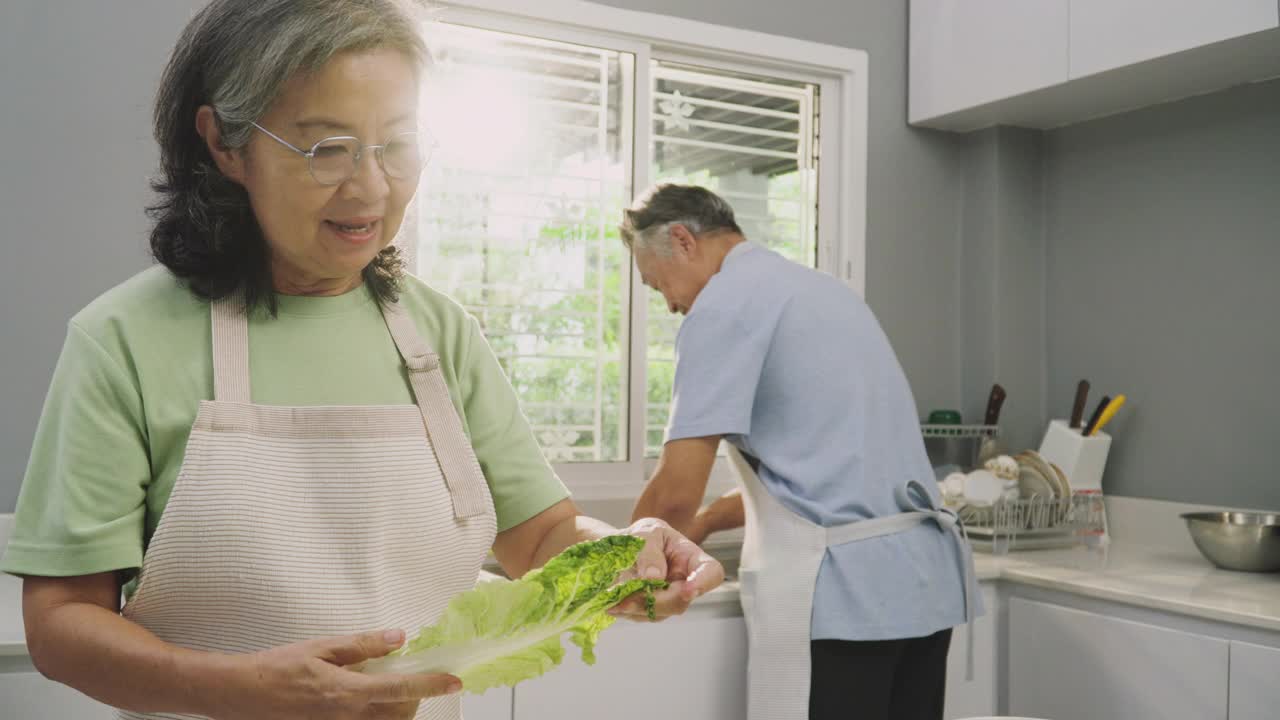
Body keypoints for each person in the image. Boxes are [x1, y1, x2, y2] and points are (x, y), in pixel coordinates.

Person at [0, 4, 721, 719]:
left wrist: (618, 553)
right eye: (326, 149)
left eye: (397, 144)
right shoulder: (125, 339)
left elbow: (542, 536)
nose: (372, 188)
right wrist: (234, 689)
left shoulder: (440, 335)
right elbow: (62, 621)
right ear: (225, 143)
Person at [620, 184, 979, 720]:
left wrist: (613, 570)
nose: (670, 305)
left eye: (656, 285)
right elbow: (829, 468)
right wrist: (712, 520)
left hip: (845, 600)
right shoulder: (823, 292)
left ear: (682, 240)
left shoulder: (722, 307)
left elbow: (673, 493)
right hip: (922, 591)